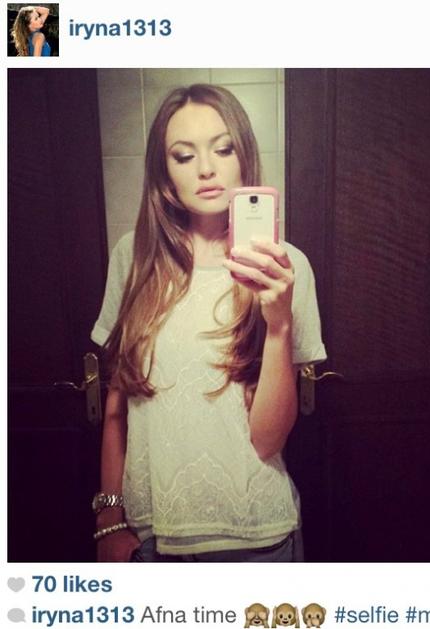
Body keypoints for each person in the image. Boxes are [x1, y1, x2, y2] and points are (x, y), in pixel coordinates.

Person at [91, 84, 326, 562]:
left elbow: (269, 439)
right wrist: (108, 518)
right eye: (183, 155)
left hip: (255, 540)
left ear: (244, 156)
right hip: (151, 540)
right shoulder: (133, 258)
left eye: (223, 149)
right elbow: (118, 400)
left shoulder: (287, 267)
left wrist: (279, 325)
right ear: (164, 173)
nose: (206, 168)